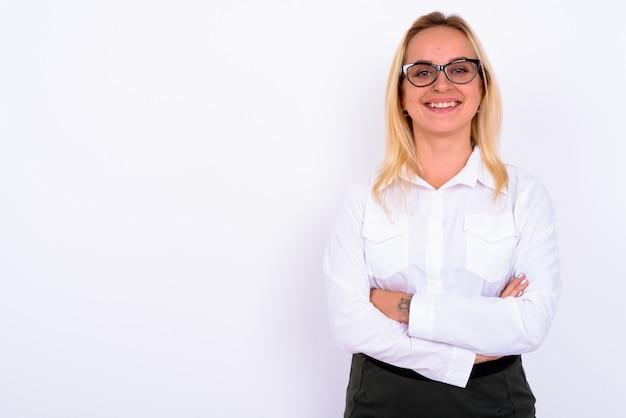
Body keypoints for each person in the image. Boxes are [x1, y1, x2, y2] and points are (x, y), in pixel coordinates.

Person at [322, 10, 562, 418]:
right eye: (421, 72)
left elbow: (529, 323)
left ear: (482, 88)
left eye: (460, 69)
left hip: (494, 401)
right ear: (401, 94)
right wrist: (465, 353)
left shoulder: (524, 196)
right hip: (380, 401)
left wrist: (402, 307)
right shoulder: (362, 197)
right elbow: (350, 322)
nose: (441, 83)